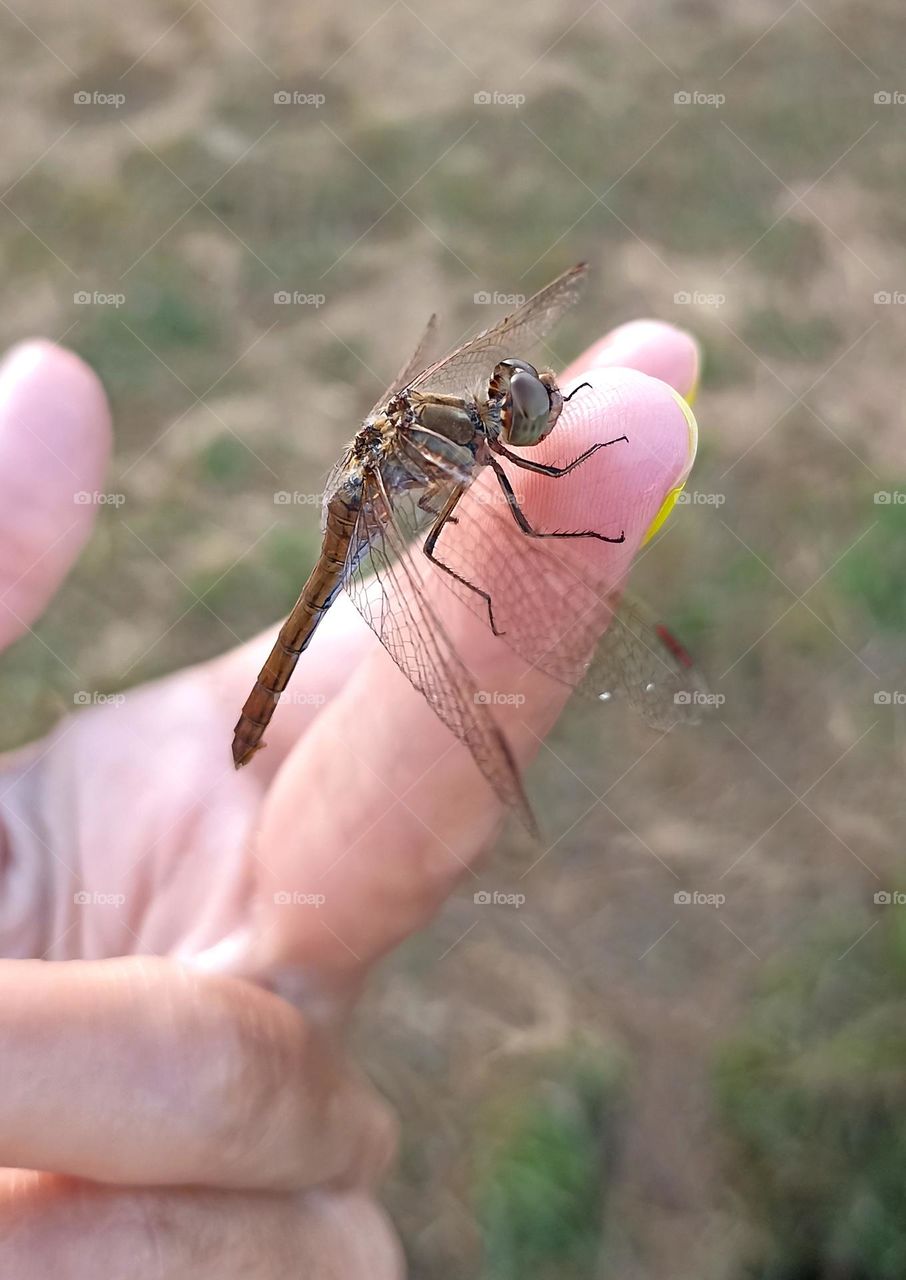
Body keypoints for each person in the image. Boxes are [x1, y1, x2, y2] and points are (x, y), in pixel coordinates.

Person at [0, 315, 698, 1277]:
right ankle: (254, 724)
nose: (523, 410)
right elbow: (504, 532)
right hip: (350, 537)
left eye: (524, 398)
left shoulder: (458, 433)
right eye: (523, 405)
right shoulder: (454, 449)